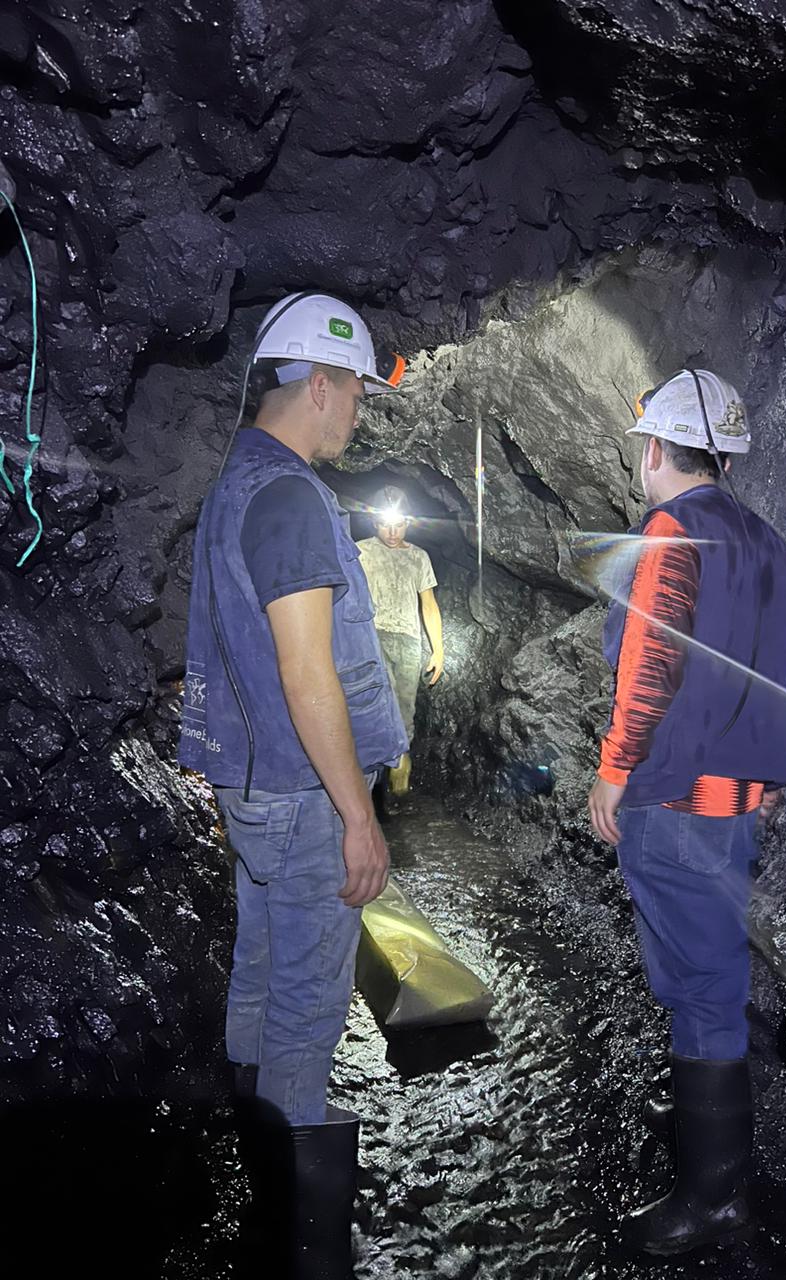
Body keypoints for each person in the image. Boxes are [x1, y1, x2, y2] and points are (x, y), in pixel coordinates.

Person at [178, 292, 408, 1279]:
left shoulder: (235, 481)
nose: (356, 411)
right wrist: (360, 815)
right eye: (354, 392)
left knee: (263, 974)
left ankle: (260, 1193)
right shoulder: (291, 497)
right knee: (310, 1008)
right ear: (319, 384)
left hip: (255, 788)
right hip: (306, 797)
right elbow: (308, 670)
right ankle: (307, 1251)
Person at [588, 369, 786, 1256]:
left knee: (703, 988)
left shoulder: (671, 533)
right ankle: (700, 1121)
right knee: (706, 977)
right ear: (726, 458)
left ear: (653, 451)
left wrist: (613, 769)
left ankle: (714, 1199)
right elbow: (774, 670)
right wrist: (768, 781)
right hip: (736, 801)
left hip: (676, 797)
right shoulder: (766, 541)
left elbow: (651, 664)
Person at [357, 486, 443, 796]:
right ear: (374, 522)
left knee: (405, 708)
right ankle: (373, 776)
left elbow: (428, 604)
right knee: (381, 701)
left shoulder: (419, 557)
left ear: (408, 522)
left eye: (398, 524)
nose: (392, 532)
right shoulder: (360, 552)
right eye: (385, 525)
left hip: (408, 641)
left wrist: (438, 650)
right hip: (372, 636)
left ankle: (399, 763)